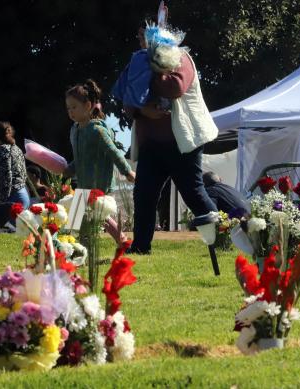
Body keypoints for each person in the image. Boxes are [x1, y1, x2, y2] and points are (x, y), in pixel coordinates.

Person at [122, 16, 219, 255]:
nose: (141, 39)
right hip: (151, 144)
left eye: (146, 33)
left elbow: (174, 88)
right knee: (143, 195)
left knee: (193, 193)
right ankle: (140, 247)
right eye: (139, 34)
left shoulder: (181, 58)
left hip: (183, 143)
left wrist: (149, 74)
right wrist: (142, 109)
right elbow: (126, 96)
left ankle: (223, 238)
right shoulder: (137, 61)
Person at [63, 79, 136, 193]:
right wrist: (69, 169)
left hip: (101, 190)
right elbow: (81, 158)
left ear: (87, 105)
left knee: (100, 211)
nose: (70, 111)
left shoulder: (97, 130)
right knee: (77, 211)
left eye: (74, 107)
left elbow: (114, 152)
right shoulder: (74, 131)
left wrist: (127, 172)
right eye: (68, 108)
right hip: (82, 189)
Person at [0, 121, 30, 227]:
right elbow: (24, 173)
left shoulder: (2, 150)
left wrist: (3, 201)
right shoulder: (17, 148)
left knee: (13, 232)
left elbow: (6, 177)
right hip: (24, 193)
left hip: (12, 197)